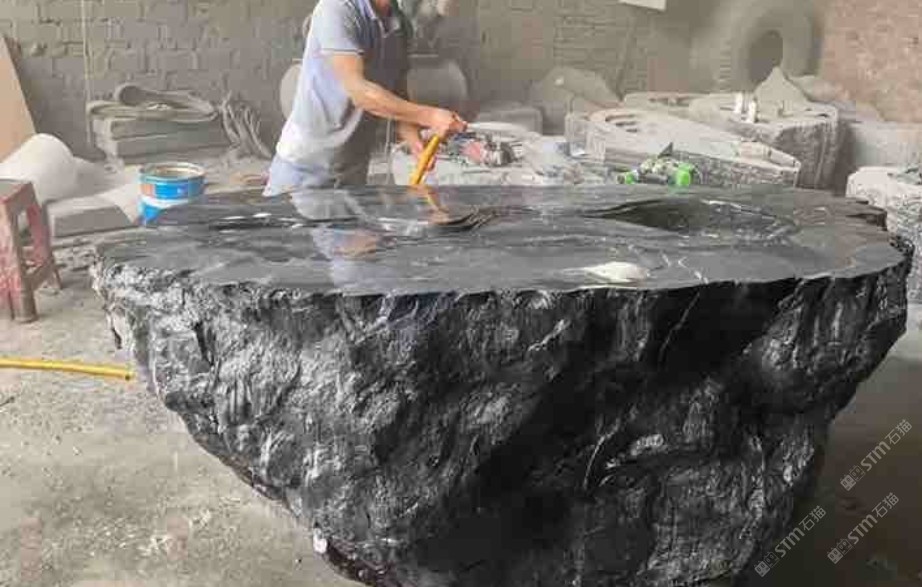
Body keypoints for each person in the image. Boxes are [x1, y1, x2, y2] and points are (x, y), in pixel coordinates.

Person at [265, 0, 467, 195]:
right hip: (304, 170)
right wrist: (430, 116)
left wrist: (415, 142)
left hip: (352, 172)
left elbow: (398, 93)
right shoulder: (337, 8)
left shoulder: (401, 25)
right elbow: (360, 93)